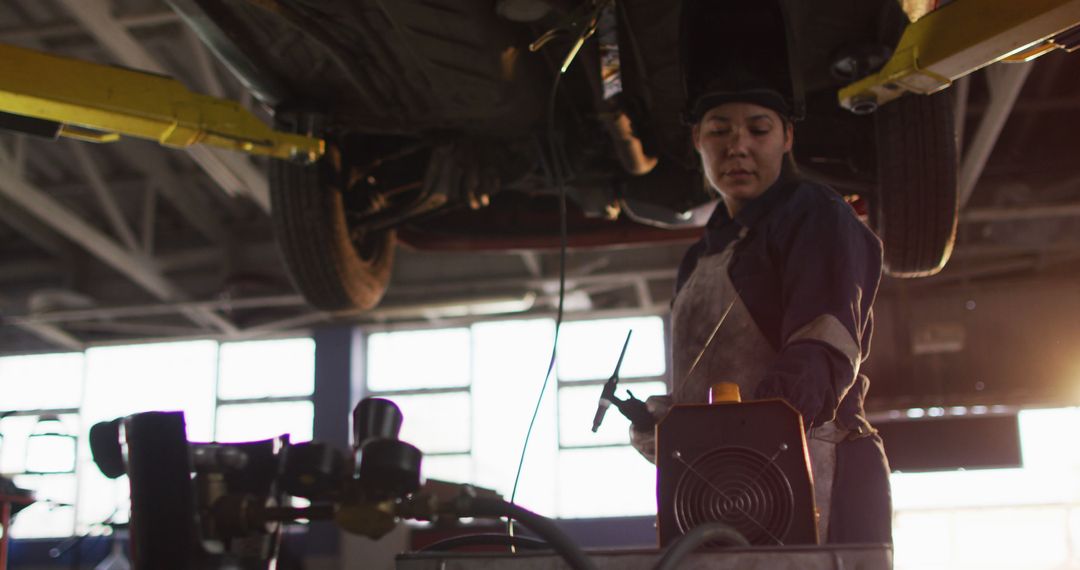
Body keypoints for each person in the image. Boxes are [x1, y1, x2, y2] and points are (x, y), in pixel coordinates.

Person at [629, 82, 893, 544]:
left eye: (758, 129)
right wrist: (670, 429)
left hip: (809, 468)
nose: (738, 147)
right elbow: (699, 389)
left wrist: (740, 443)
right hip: (721, 488)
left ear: (787, 137)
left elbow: (819, 354)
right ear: (697, 140)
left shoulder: (815, 214)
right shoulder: (698, 258)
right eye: (719, 131)